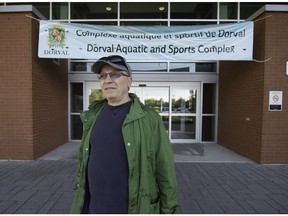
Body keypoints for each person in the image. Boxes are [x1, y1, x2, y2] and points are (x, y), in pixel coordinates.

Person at [70, 55, 178, 214]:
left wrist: (168, 210)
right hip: (93, 209)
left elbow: (165, 170)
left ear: (129, 81)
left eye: (115, 74)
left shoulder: (149, 119)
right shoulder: (92, 117)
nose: (107, 80)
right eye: (102, 76)